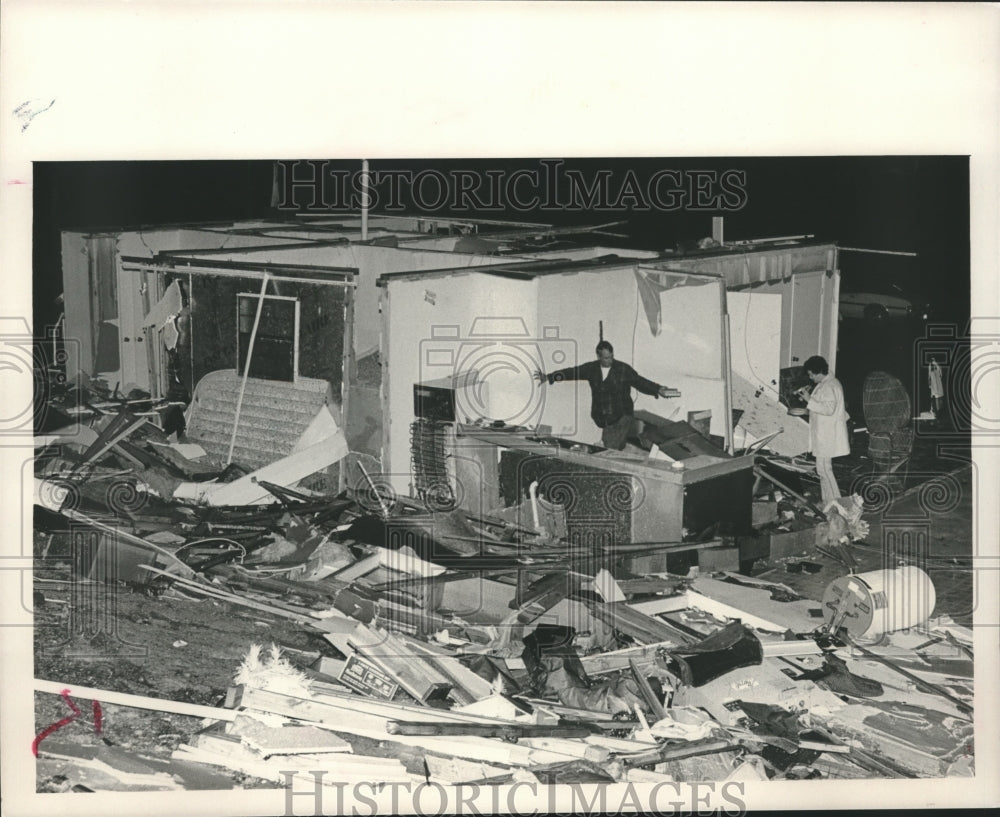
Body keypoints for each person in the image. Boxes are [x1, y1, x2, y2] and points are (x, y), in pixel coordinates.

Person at [534, 340, 680, 450]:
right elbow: (572, 372)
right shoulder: (591, 369)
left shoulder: (622, 369)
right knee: (611, 447)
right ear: (598, 356)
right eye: (606, 358)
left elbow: (640, 382)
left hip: (622, 415)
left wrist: (658, 389)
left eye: (611, 357)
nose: (609, 360)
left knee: (608, 449)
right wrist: (549, 377)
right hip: (605, 417)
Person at [795, 355, 849, 502]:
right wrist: (809, 400)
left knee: (825, 470)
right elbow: (822, 405)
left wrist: (808, 399)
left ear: (817, 372)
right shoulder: (826, 383)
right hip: (825, 433)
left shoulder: (830, 385)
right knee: (823, 470)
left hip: (827, 435)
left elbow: (828, 409)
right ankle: (829, 503)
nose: (810, 378)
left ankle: (837, 504)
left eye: (811, 374)